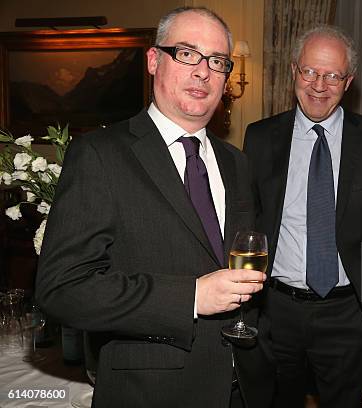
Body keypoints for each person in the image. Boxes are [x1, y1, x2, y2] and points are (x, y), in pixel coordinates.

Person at [35, 7, 273, 408]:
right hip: (151, 393)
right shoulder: (99, 155)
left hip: (243, 388)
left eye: (217, 61)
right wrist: (191, 298)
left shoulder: (237, 162)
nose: (203, 72)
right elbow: (62, 289)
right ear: (153, 61)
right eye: (187, 53)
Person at [243, 25, 362, 407]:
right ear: (294, 71)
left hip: (347, 315)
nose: (319, 85)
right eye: (310, 72)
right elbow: (247, 221)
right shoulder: (260, 138)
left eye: (333, 75)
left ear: (348, 81)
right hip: (274, 310)